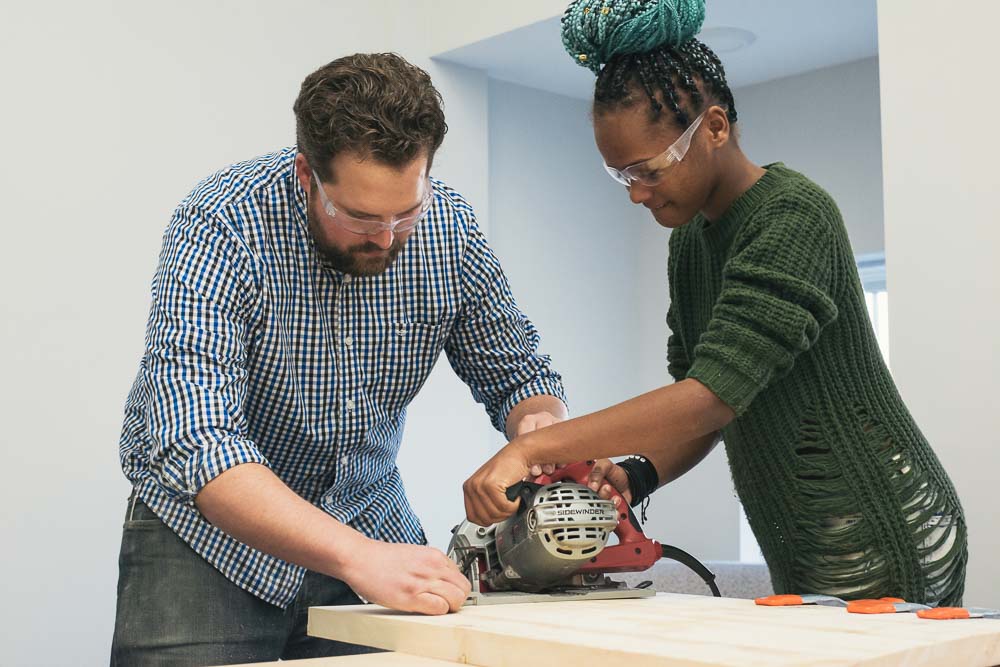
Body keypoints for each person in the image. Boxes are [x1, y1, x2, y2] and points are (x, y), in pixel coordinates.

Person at [463, 0, 967, 606]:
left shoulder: (793, 215)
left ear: (716, 128)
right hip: (800, 534)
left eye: (648, 170)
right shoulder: (691, 246)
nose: (636, 194)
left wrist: (531, 447)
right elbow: (702, 406)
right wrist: (635, 474)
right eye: (621, 176)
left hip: (879, 520)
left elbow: (712, 396)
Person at [111, 52, 568, 665]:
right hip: (206, 539)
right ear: (307, 175)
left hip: (367, 513)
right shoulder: (221, 223)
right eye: (358, 217)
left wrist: (536, 436)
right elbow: (198, 438)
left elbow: (519, 373)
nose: (385, 237)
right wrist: (358, 557)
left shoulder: (451, 228)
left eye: (405, 213)